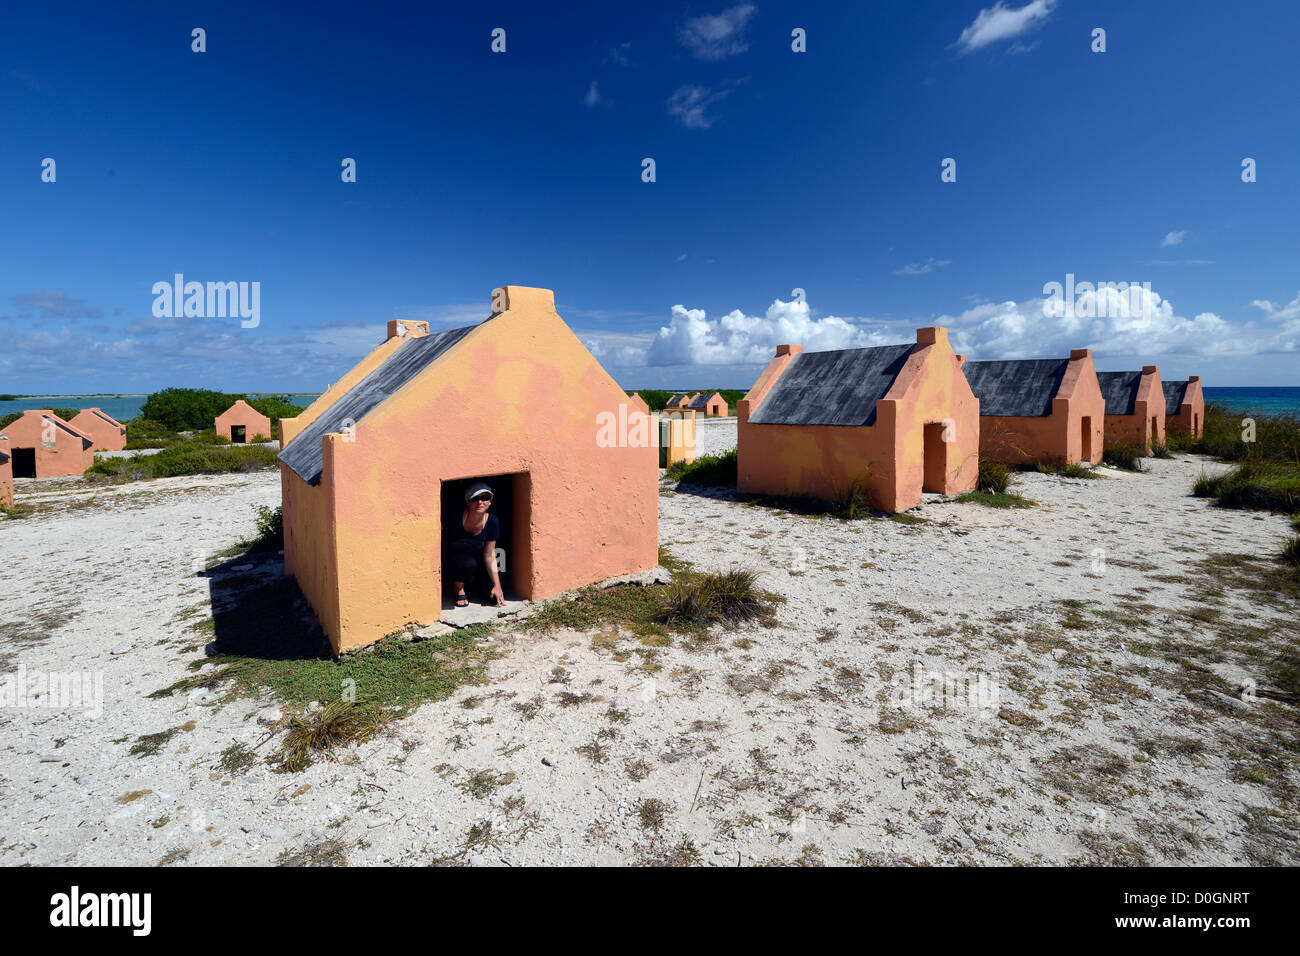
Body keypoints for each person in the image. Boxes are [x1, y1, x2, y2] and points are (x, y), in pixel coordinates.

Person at [446, 481, 505, 608]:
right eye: (475, 498)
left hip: (479, 561)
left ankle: (475, 583)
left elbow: (489, 555)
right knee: (466, 563)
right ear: (468, 502)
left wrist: (497, 585)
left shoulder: (492, 521)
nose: (480, 502)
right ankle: (458, 588)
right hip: (458, 561)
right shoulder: (455, 519)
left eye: (485, 498)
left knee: (492, 598)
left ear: (490, 502)